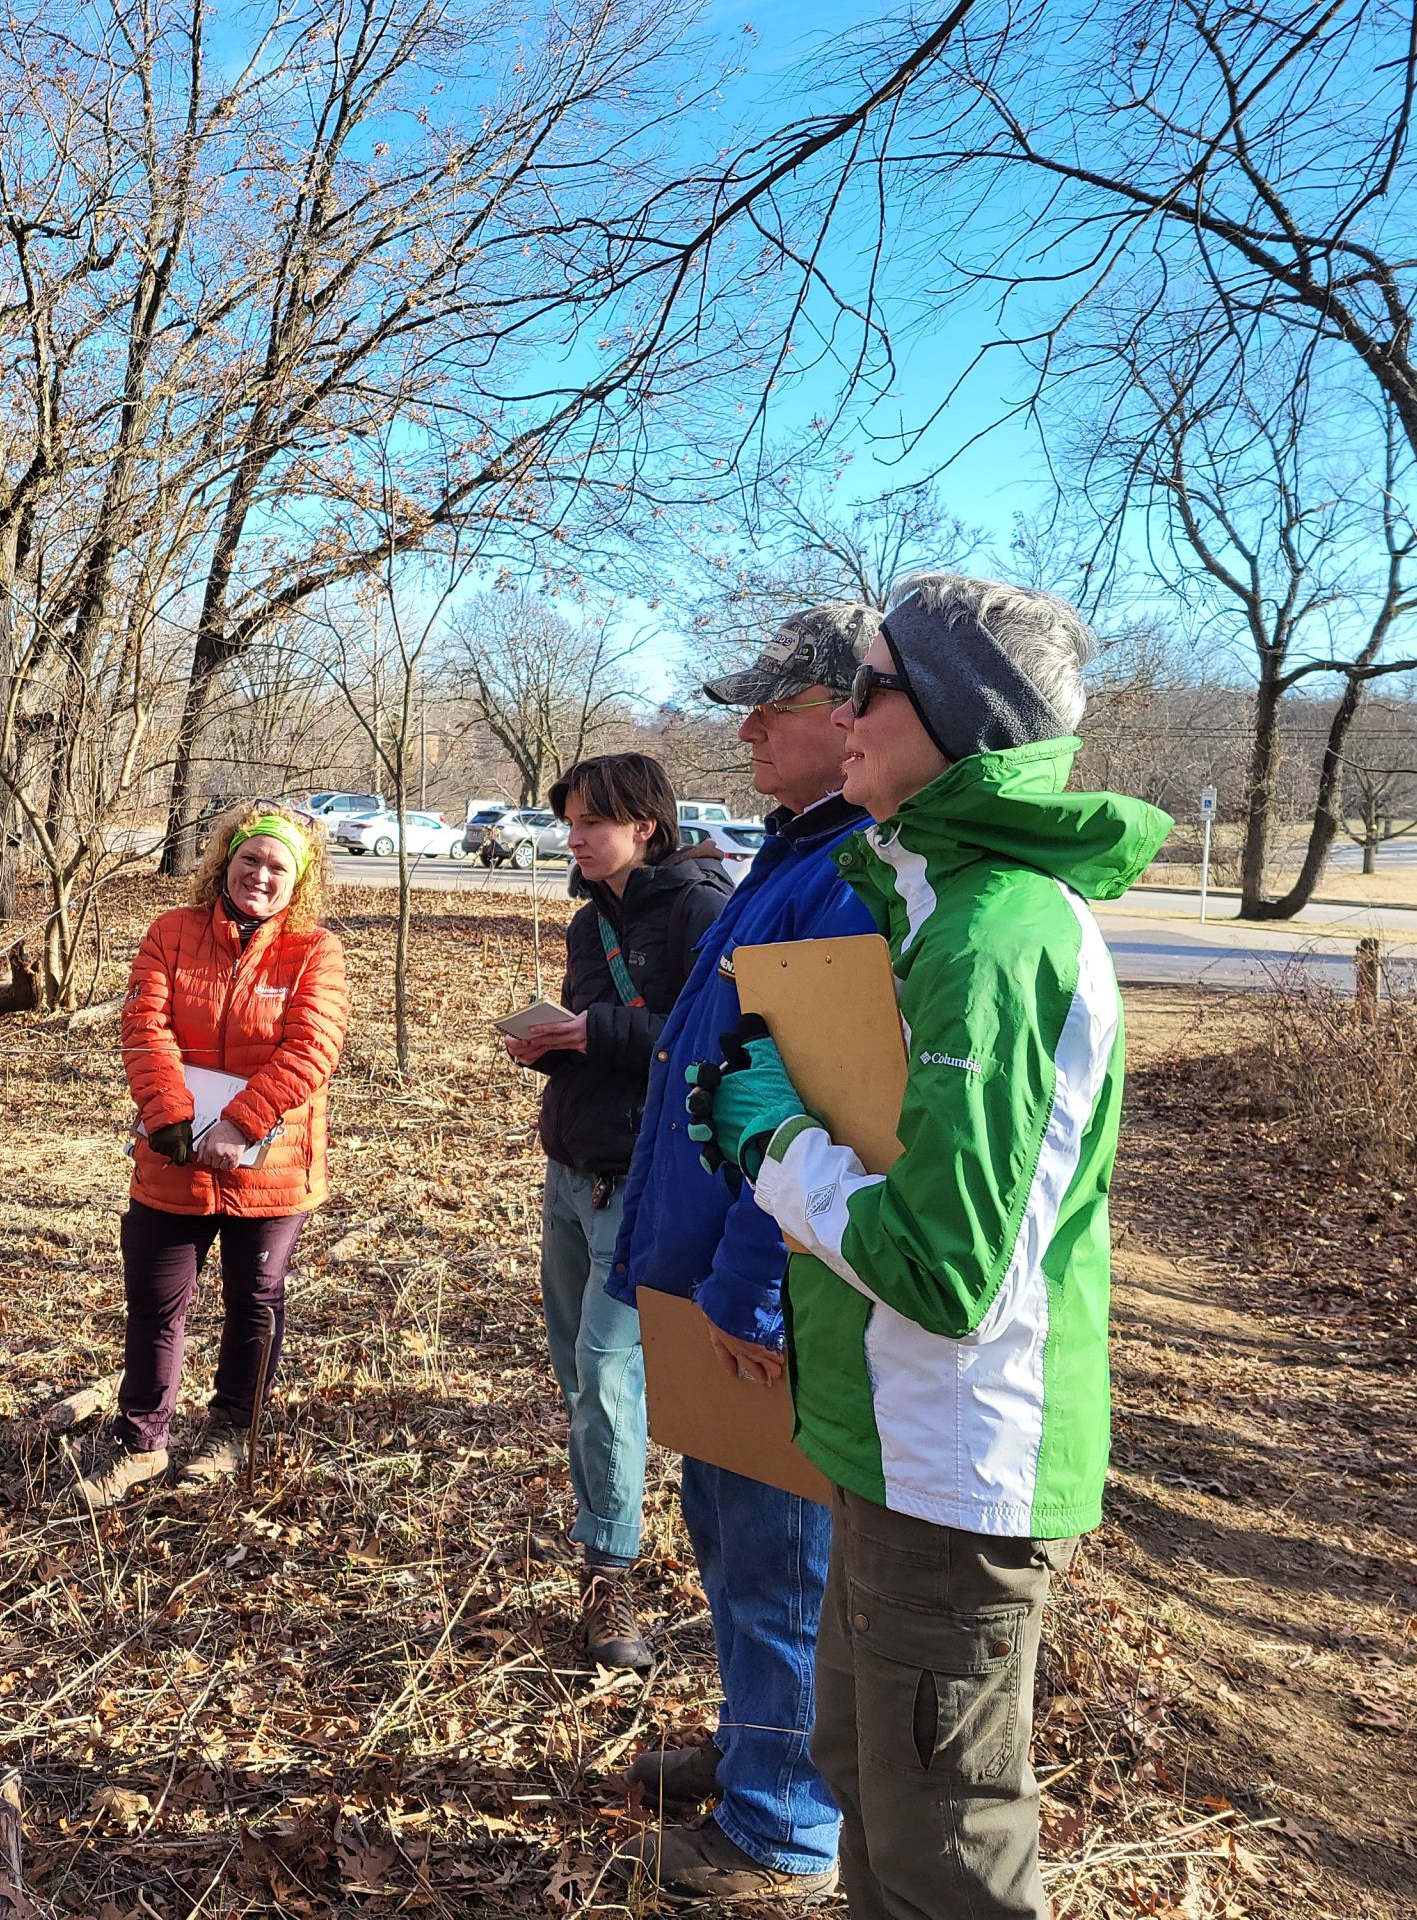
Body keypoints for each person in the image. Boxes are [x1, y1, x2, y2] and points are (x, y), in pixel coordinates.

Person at [686, 574, 1170, 1920]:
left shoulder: (998, 934)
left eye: (873, 688)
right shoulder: (925, 900)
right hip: (888, 1448)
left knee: (942, 1851)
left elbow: (952, 1275)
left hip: (957, 1467)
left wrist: (774, 1144)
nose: (840, 712)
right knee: (868, 1778)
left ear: (961, 722)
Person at [601, 607, 882, 1900]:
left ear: (852, 715)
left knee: (780, 1560)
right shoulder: (791, 853)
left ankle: (781, 1830)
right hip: (710, 1266)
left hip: (758, 1289)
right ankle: (752, 1749)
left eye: (778, 705)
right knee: (729, 1536)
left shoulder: (851, 874)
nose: (747, 727)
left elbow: (823, 1104)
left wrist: (753, 1300)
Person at [503, 752, 733, 1670]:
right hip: (572, 1169)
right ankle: (610, 1534)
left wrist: (593, 1032)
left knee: (606, 1374)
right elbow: (602, 1038)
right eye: (568, 822)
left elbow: (714, 1039)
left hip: (642, 1183)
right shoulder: (586, 919)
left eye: (591, 821)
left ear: (646, 822)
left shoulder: (699, 909)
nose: (575, 836)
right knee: (579, 1376)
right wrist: (556, 1048)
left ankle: (612, 1580)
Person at [64, 801, 349, 1510]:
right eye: (249, 859)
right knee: (156, 1302)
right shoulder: (172, 932)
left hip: (272, 1166)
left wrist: (241, 1124)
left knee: (256, 1301)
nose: (260, 875)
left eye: (278, 867)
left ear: (299, 880)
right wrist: (174, 1120)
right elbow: (145, 1026)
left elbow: (312, 1049)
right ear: (224, 861)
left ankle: (231, 1431)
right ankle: (141, 1442)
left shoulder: (315, 951)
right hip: (173, 1156)